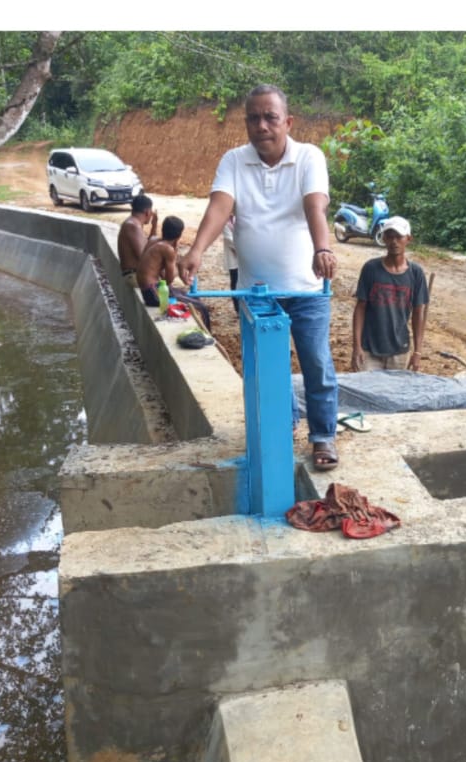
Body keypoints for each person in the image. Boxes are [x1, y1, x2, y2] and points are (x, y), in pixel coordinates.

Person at [176, 84, 340, 473]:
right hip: (256, 292)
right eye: (253, 118)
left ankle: (323, 435)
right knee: (268, 367)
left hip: (306, 290)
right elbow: (220, 207)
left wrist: (322, 248)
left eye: (270, 117)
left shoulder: (309, 157)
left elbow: (315, 206)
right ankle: (283, 428)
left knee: (316, 363)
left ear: (288, 122)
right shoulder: (234, 160)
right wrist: (196, 250)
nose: (262, 125)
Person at [351, 217, 429, 372]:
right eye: (390, 236)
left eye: (399, 237)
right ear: (384, 238)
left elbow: (418, 312)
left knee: (395, 387)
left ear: (408, 239)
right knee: (366, 386)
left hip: (399, 350)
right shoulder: (371, 268)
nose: (394, 241)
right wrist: (357, 346)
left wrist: (418, 351)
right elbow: (360, 307)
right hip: (369, 349)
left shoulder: (416, 273)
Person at [137, 217, 185, 308]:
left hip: (145, 290)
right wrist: (176, 257)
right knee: (194, 302)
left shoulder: (153, 240)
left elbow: (153, 267)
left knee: (182, 293)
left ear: (163, 229)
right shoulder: (167, 249)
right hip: (153, 294)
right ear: (179, 235)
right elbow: (169, 279)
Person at [118, 193, 159, 281]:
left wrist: (154, 226)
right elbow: (144, 257)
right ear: (148, 212)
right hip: (134, 275)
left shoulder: (133, 223)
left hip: (136, 274)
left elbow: (149, 245)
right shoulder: (133, 226)